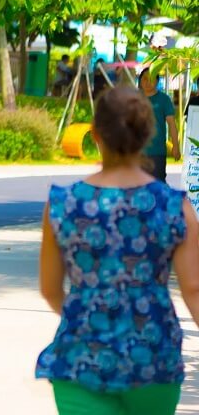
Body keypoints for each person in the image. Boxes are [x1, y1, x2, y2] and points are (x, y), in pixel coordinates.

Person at [36, 86, 199, 413]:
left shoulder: (63, 204)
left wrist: (90, 315)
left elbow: (51, 291)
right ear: (148, 135)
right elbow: (193, 288)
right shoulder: (173, 206)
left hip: (81, 357)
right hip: (153, 356)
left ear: (95, 134)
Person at [139, 68, 179, 184]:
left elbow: (171, 123)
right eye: (145, 79)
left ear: (157, 81)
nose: (147, 82)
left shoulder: (164, 100)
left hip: (157, 152)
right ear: (140, 80)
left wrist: (175, 146)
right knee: (138, 187)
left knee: (158, 186)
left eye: (151, 79)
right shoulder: (134, 98)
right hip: (137, 152)